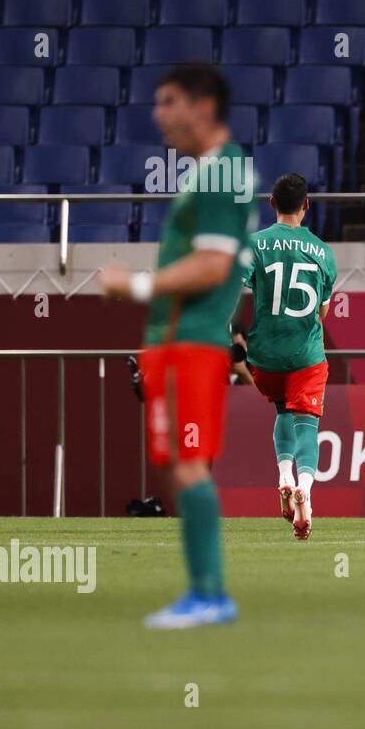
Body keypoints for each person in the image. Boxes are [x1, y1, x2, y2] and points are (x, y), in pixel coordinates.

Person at [98, 62, 256, 629]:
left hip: (193, 342)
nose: (158, 114)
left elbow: (214, 264)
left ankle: (210, 594)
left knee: (189, 465)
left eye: (168, 102)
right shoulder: (209, 171)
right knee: (173, 466)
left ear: (203, 106)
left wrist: (136, 285)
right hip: (171, 341)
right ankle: (202, 592)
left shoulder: (223, 170)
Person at [238, 173, 336, 540]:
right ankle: (305, 489)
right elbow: (322, 313)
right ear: (307, 206)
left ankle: (283, 477)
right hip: (305, 355)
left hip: (264, 358)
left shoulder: (255, 244)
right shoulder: (324, 252)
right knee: (307, 423)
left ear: (272, 204)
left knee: (282, 409)